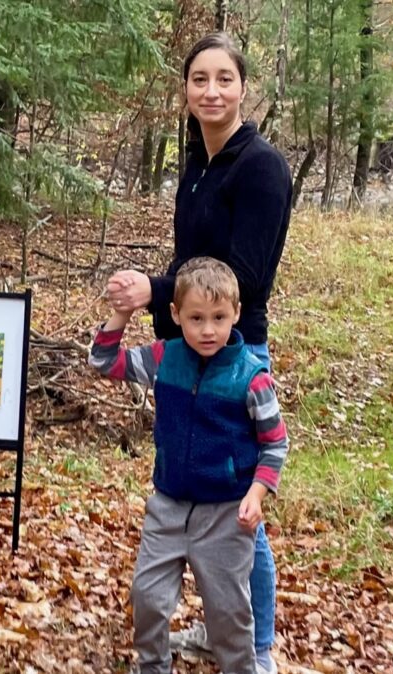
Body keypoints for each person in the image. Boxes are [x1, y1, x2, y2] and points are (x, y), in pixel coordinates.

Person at [105, 32, 292, 673]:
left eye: (224, 79)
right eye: (199, 80)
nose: (211, 91)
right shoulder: (199, 162)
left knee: (243, 514)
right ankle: (225, 636)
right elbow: (191, 265)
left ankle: (256, 650)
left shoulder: (261, 167)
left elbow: (245, 277)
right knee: (211, 502)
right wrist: (157, 304)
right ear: (185, 90)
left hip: (237, 348)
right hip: (186, 344)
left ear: (244, 88)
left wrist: (156, 290)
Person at [91, 258, 289, 674]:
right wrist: (122, 313)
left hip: (225, 515)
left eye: (219, 318)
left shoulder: (252, 377)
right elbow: (106, 363)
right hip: (168, 507)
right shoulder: (167, 357)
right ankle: (152, 666)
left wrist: (256, 494)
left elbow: (275, 444)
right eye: (196, 318)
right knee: (147, 596)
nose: (208, 330)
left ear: (236, 314)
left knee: (229, 615)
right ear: (176, 315)